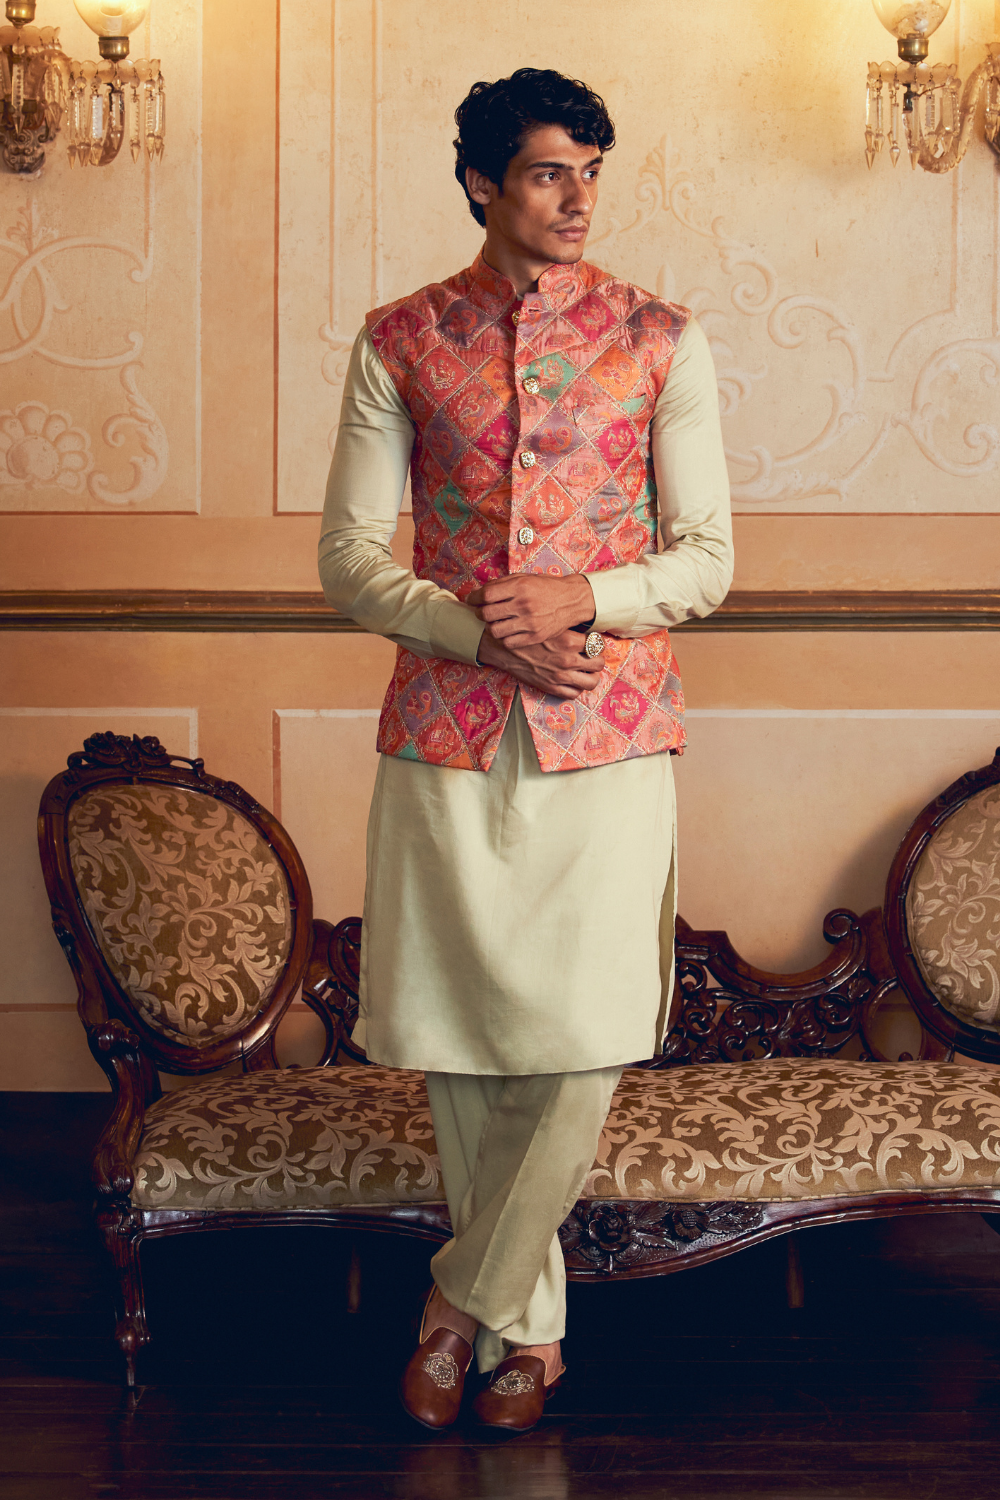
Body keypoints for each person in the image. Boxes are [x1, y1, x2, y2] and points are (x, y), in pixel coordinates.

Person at [318, 66, 733, 1433]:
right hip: (448, 733)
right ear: (483, 182)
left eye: (591, 171)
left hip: (610, 731)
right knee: (464, 1033)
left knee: (589, 1029)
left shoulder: (662, 336)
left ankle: (457, 1306)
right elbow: (347, 560)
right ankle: (528, 1341)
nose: (578, 198)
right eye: (551, 171)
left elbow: (706, 563)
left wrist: (581, 599)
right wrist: (480, 634)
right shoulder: (399, 339)